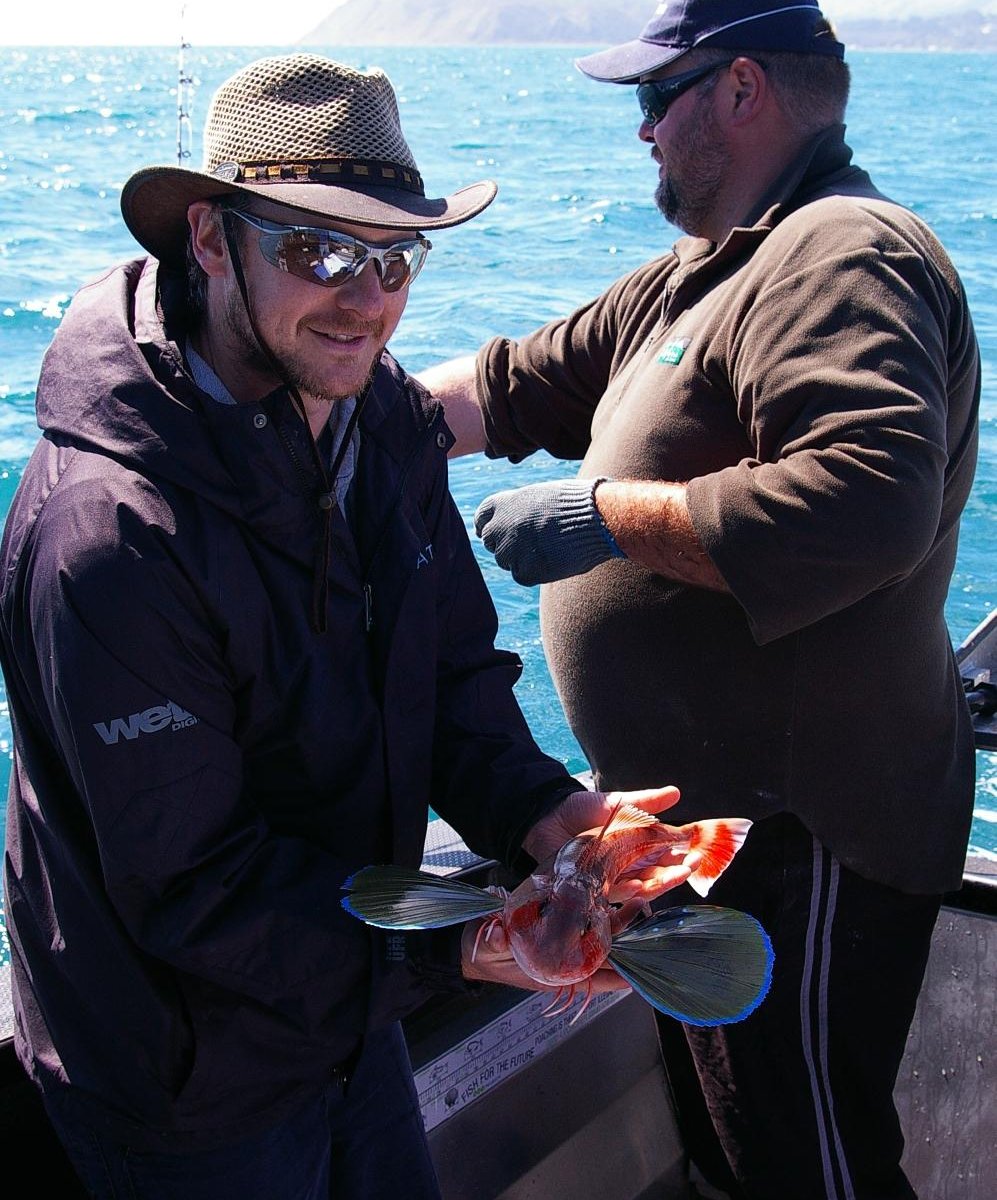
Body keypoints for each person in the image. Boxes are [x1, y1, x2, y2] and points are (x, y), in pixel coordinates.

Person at [0, 53, 697, 1200]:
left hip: (347, 1008)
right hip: (185, 1083)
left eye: (394, 258)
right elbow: (194, 890)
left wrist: (550, 818)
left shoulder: (384, 422)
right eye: (321, 250)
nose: (367, 298)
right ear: (212, 241)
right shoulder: (110, 538)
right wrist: (464, 945)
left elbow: (455, 683)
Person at [418, 2, 982, 1198]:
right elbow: (503, 389)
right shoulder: (711, 271)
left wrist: (602, 517)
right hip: (709, 838)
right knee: (740, 1154)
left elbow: (869, 495)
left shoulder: (841, 254)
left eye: (651, 100)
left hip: (812, 831)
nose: (638, 135)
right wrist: (297, 414)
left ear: (740, 91)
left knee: (811, 1167)